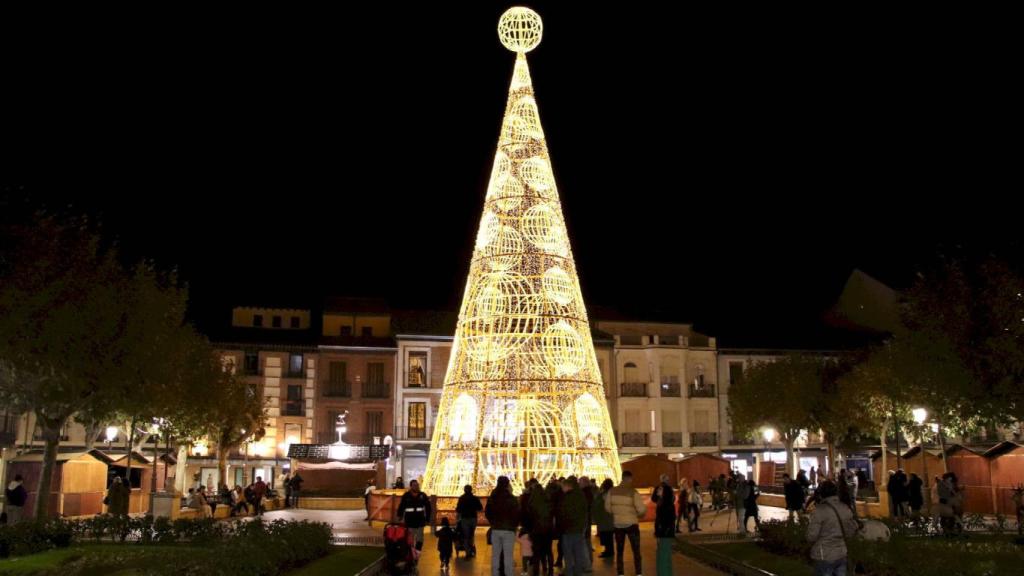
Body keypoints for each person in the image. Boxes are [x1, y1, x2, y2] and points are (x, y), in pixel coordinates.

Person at [807, 480, 860, 576]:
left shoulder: (819, 510)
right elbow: (852, 530)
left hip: (823, 555)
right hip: (842, 553)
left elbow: (811, 536)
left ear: (822, 494)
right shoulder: (845, 507)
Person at [604, 470, 646, 576]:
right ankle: (638, 573)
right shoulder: (633, 492)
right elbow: (641, 509)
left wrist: (616, 513)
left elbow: (607, 507)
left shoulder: (612, 491)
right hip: (632, 524)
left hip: (618, 525)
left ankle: (620, 573)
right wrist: (637, 514)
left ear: (622, 478)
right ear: (630, 479)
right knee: (636, 551)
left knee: (619, 550)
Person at [485, 475, 520, 576]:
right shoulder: (512, 498)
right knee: (508, 555)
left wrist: (493, 522)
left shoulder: (493, 497)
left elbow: (488, 512)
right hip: (509, 530)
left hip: (496, 529)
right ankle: (509, 573)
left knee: (495, 555)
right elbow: (517, 513)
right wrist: (514, 525)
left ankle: (495, 573)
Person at [556, 477, 588, 576]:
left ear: (566, 486)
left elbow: (562, 514)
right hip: (578, 528)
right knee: (578, 553)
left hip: (568, 530)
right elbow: (584, 511)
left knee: (568, 554)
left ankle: (569, 572)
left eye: (562, 487)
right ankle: (578, 572)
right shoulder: (581, 496)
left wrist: (561, 526)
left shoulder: (566, 498)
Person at [397, 479, 432, 552]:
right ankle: (411, 553)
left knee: (420, 538)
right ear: (411, 486)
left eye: (417, 485)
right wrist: (399, 515)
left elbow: (428, 507)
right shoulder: (406, 496)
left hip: (420, 521)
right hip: (410, 521)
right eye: (414, 485)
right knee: (410, 538)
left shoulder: (422, 495)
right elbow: (402, 506)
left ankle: (417, 552)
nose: (416, 487)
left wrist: (428, 518)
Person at [652, 474, 676, 576]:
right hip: (663, 533)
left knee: (663, 555)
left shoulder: (666, 506)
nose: (657, 491)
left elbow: (666, 521)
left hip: (665, 533)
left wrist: (661, 532)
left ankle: (664, 573)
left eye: (659, 490)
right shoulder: (662, 503)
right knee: (664, 554)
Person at [456, 484, 483, 558]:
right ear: (471, 490)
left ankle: (468, 551)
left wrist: (458, 518)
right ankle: (471, 548)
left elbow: (458, 509)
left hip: (464, 518)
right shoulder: (475, 498)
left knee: (465, 535)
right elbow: (480, 508)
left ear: (464, 490)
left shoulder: (461, 498)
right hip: (473, 518)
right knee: (471, 534)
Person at [592, 478, 614, 558]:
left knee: (607, 535)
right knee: (608, 536)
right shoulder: (611, 493)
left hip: (605, 518)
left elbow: (600, 504)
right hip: (608, 519)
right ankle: (608, 550)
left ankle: (608, 551)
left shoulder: (605, 494)